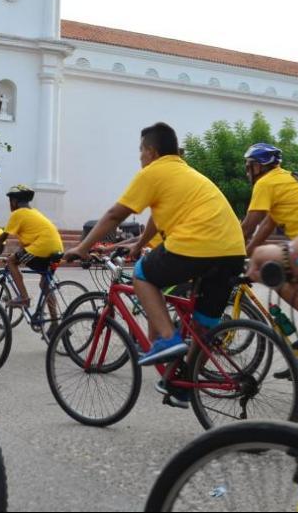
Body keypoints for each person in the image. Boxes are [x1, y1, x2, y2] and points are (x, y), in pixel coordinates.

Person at [66, 122, 245, 406]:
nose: (140, 157)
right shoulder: (187, 174)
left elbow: (114, 215)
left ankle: (167, 337)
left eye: (141, 151)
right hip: (233, 251)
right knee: (203, 327)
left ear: (151, 151)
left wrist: (82, 247)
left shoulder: (153, 172)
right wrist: (139, 244)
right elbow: (156, 216)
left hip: (197, 245)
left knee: (142, 275)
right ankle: (182, 387)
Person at [240, 142, 298, 348]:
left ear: (259, 166)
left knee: (273, 276)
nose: (247, 171)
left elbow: (249, 226)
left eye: (249, 166)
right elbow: (267, 225)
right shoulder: (286, 179)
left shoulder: (265, 183)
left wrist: (231, 252)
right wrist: (247, 251)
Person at [0, 184, 65, 322]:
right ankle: (55, 323)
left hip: (42, 247)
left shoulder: (18, 213)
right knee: (45, 284)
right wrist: (17, 254)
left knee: (11, 262)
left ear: (14, 201)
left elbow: (2, 237)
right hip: (57, 248)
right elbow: (28, 240)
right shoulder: (34, 213)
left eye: (10, 201)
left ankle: (24, 298)